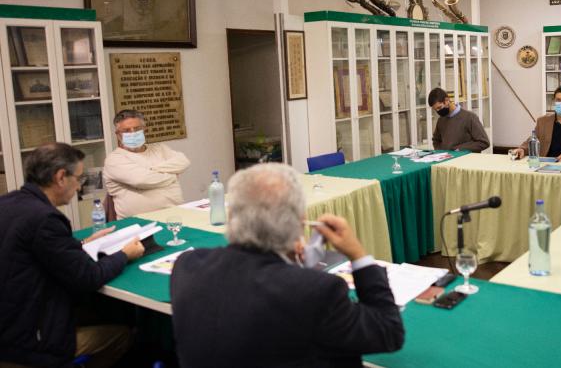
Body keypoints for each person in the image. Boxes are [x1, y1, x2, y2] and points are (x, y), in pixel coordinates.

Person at [170, 163, 404, 367]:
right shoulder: (318, 290)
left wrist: (293, 268)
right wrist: (359, 255)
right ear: (300, 222)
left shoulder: (187, 266)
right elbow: (388, 332)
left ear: (231, 216)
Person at [0, 143, 144, 368]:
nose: (79, 187)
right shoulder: (45, 219)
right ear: (60, 177)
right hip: (28, 340)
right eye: (78, 179)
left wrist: (83, 243)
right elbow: (89, 277)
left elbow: (33, 249)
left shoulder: (8, 202)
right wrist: (125, 254)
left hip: (10, 321)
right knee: (122, 335)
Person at [103, 109, 190, 218]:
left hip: (174, 216)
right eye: (126, 130)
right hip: (137, 224)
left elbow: (183, 161)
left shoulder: (160, 149)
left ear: (144, 129)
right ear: (118, 135)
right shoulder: (114, 160)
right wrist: (173, 176)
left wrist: (151, 170)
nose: (133, 133)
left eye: (137, 128)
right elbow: (141, 180)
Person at [428, 87, 490, 152]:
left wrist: (459, 149)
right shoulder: (441, 120)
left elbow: (484, 142)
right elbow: (436, 140)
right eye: (435, 109)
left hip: (467, 160)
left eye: (439, 107)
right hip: (447, 160)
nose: (438, 111)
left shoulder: (470, 117)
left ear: (447, 101)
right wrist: (441, 151)